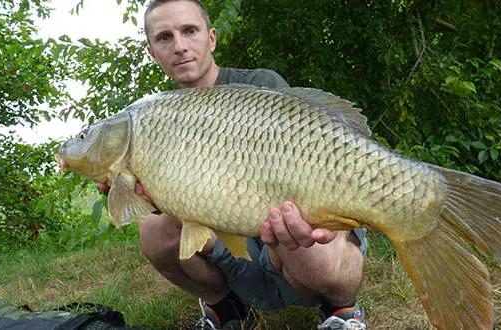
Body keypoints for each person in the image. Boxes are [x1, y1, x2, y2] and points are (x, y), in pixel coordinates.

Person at [101, 1, 368, 329]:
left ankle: (339, 307)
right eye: (164, 37)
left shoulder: (260, 85)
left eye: (189, 31)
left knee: (294, 223)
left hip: (282, 241)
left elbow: (307, 170)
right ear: (152, 52)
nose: (180, 46)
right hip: (233, 252)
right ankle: (228, 306)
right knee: (153, 230)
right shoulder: (157, 121)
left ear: (211, 38)